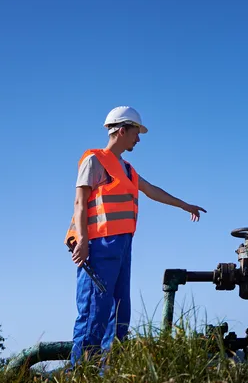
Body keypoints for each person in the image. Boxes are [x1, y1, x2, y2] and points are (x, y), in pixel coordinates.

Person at [66, 106, 206, 364]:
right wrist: (83, 242)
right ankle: (79, 375)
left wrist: (185, 205)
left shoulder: (127, 169)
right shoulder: (94, 161)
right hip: (98, 246)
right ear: (121, 131)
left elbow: (152, 190)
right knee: (94, 313)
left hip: (122, 246)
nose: (138, 139)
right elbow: (80, 203)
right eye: (135, 133)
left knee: (119, 314)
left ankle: (106, 375)